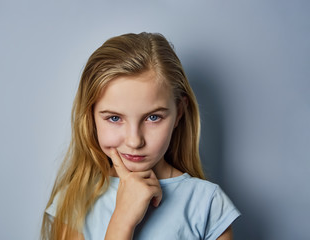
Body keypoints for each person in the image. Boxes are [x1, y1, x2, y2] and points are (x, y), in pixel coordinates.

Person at [41, 32, 240, 240]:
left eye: (153, 117)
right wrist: (122, 221)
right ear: (91, 117)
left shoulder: (207, 205)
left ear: (179, 112)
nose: (135, 141)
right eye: (115, 118)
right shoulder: (75, 201)